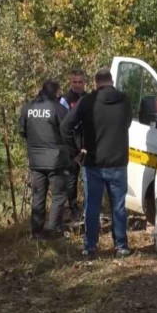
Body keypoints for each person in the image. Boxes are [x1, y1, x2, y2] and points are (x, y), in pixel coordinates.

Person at [61, 68, 133, 260]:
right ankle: (121, 246)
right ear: (112, 81)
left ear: (95, 83)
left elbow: (65, 127)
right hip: (118, 161)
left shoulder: (87, 101)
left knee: (92, 207)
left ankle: (90, 248)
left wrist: (76, 152)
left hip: (93, 163)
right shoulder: (124, 100)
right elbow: (126, 124)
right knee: (118, 206)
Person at [19, 79, 71, 240]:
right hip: (57, 160)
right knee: (58, 196)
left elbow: (22, 131)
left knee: (38, 196)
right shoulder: (59, 109)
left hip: (36, 160)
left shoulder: (27, 108)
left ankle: (36, 232)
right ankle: (53, 229)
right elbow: (67, 133)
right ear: (56, 92)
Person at [59, 69, 88, 222]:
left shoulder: (89, 98)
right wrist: (73, 149)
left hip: (87, 144)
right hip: (71, 146)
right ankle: (73, 208)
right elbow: (64, 125)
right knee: (71, 179)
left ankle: (88, 208)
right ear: (70, 82)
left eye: (80, 82)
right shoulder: (65, 100)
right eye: (74, 82)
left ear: (84, 83)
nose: (77, 84)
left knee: (89, 178)